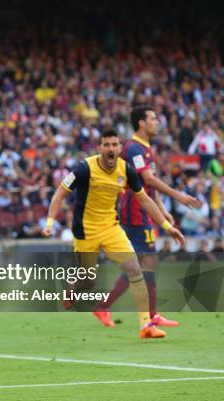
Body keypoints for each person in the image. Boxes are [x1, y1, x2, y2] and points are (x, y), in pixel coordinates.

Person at [43, 129, 186, 339]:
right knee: (88, 281)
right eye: (106, 145)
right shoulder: (84, 168)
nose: (111, 149)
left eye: (114, 145)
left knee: (134, 269)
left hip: (111, 228)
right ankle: (72, 288)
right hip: (85, 231)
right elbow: (59, 194)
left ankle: (145, 325)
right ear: (100, 148)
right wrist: (49, 223)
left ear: (119, 148)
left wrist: (166, 226)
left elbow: (144, 199)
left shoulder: (126, 170)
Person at [93, 106, 201, 328]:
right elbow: (148, 180)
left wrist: (161, 208)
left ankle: (114, 308)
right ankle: (139, 315)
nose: (157, 122)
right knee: (146, 264)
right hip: (134, 213)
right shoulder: (133, 148)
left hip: (144, 212)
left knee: (144, 265)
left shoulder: (145, 148)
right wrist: (178, 196)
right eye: (153, 119)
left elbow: (147, 185)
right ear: (141, 123)